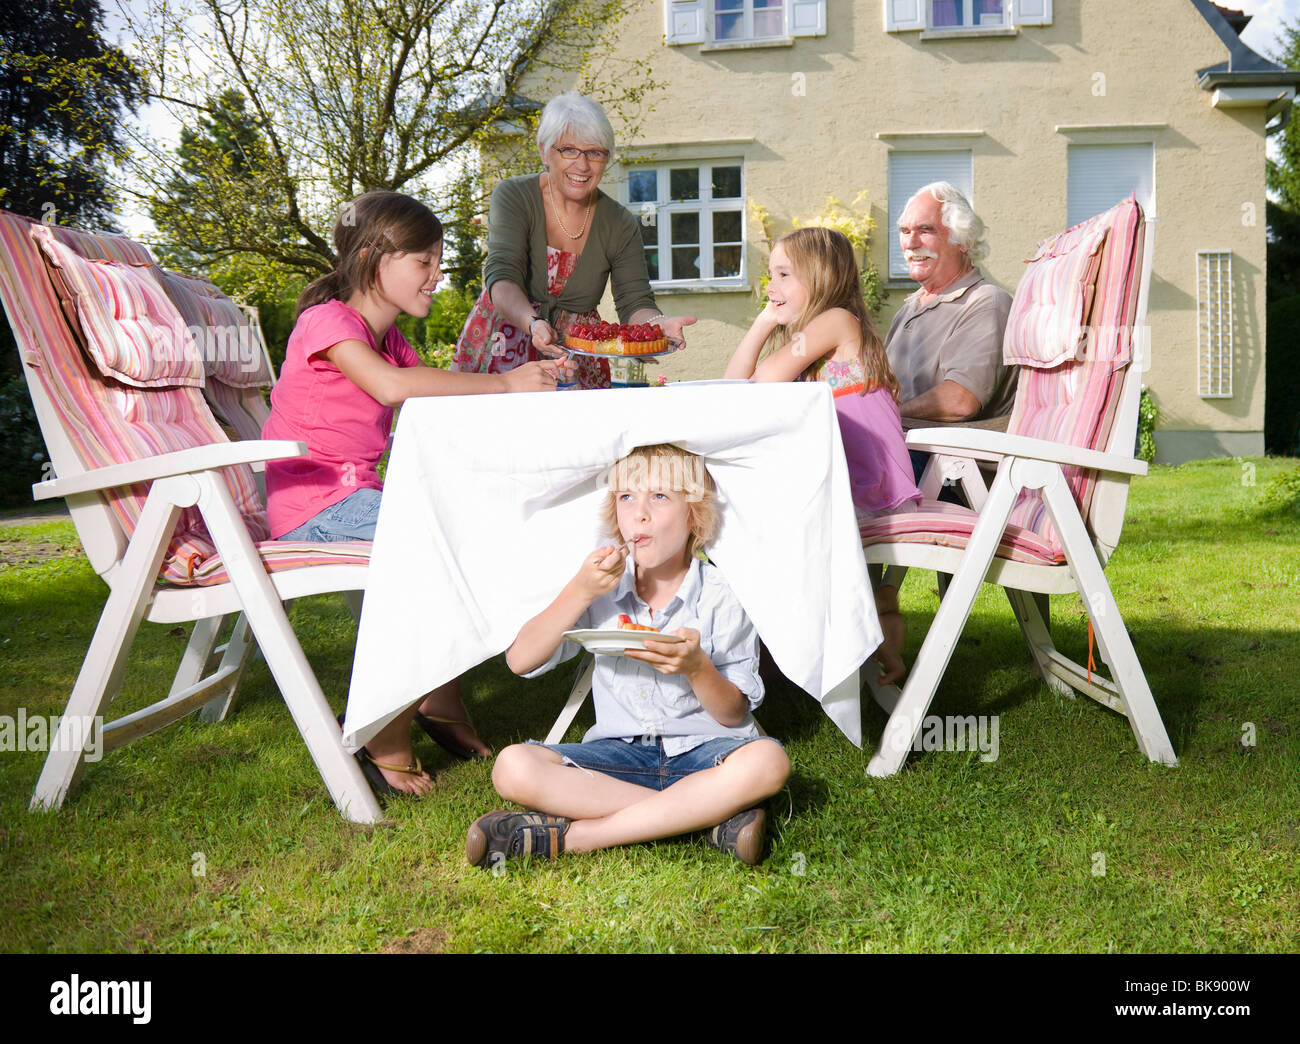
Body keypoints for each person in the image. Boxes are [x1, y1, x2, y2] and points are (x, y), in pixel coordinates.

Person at [263, 190, 570, 796]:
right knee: (435, 547)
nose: (437, 275)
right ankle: (388, 723)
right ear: (375, 258)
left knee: (473, 526)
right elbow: (388, 388)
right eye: (423, 262)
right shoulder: (328, 322)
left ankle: (439, 690)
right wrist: (504, 384)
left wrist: (517, 396)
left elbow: (434, 403)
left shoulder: (391, 338)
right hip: (316, 509)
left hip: (357, 502)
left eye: (438, 261)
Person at [467, 444, 790, 868]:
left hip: (707, 753)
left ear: (694, 514)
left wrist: (697, 668)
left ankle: (578, 837)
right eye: (626, 497)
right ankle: (709, 819)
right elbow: (519, 660)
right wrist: (579, 591)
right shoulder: (601, 588)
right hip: (620, 757)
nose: (639, 513)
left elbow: (732, 715)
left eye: (659, 496)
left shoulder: (723, 595)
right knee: (512, 767)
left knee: (768, 761)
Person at [724, 226, 920, 684]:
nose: (770, 288)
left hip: (867, 492)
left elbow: (762, 383)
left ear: (821, 276)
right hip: (848, 486)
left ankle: (770, 648)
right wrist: (763, 322)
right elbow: (736, 387)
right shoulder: (821, 335)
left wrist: (767, 324)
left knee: (750, 521)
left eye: (783, 274)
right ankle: (872, 624)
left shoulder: (836, 320)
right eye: (770, 275)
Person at [451, 91, 695, 389]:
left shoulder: (621, 224)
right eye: (568, 150)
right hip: (505, 338)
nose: (582, 164)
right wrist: (533, 322)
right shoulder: (513, 195)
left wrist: (657, 326)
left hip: (578, 356)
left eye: (595, 152)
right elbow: (502, 278)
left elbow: (635, 302)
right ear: (544, 152)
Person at [886, 182, 1015, 426]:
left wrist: (888, 415)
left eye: (925, 230)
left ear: (963, 240)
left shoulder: (986, 303)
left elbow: (961, 400)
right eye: (905, 231)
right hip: (899, 443)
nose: (911, 243)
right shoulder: (909, 308)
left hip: (942, 456)